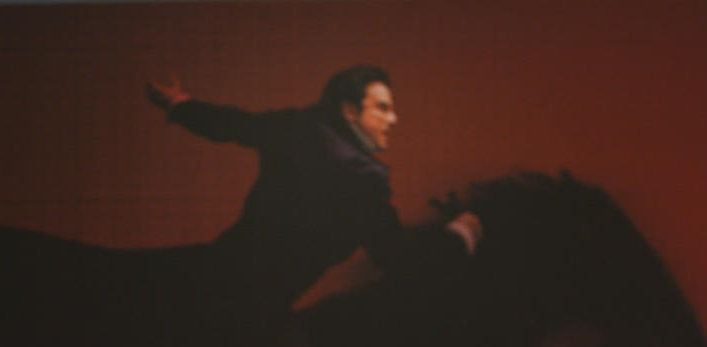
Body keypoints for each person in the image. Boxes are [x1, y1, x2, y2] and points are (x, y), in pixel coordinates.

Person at [146, 65, 482, 319]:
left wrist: (179, 103)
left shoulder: (296, 127)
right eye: (382, 107)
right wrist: (462, 231)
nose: (393, 119)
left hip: (217, 266)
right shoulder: (363, 177)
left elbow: (234, 124)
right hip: (251, 307)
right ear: (350, 111)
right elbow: (397, 258)